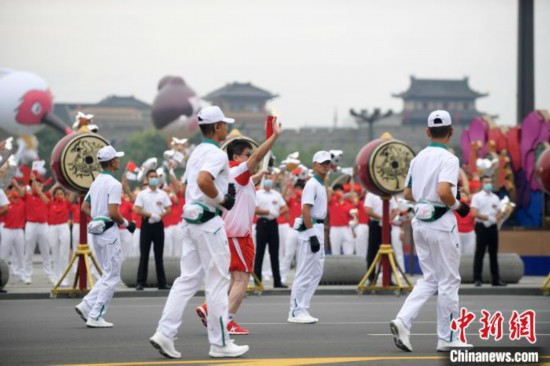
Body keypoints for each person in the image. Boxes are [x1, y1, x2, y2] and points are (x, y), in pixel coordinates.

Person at [149, 105, 248, 359]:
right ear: (217, 127)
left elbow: (185, 188)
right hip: (208, 223)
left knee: (187, 281)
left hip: (191, 222)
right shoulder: (216, 154)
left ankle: (164, 333)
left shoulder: (195, 154)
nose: (227, 127)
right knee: (217, 282)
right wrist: (223, 200)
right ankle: (220, 343)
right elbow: (205, 181)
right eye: (224, 124)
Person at [390, 110, 473, 352]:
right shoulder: (449, 159)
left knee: (430, 279)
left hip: (420, 223)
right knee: (449, 280)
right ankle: (447, 338)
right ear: (451, 131)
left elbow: (407, 194)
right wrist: (460, 206)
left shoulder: (417, 159)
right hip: (441, 223)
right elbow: (445, 192)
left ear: (427, 132)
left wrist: (425, 197)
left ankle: (403, 321)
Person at [196, 117, 281, 335]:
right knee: (242, 279)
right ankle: (227, 320)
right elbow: (256, 157)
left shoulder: (232, 175)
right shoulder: (238, 171)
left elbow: (245, 185)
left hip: (228, 233)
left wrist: (258, 176)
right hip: (238, 235)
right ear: (235, 157)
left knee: (233, 278)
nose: (249, 158)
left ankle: (209, 309)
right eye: (245, 154)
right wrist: (274, 137)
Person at [74, 145, 136, 328]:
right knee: (112, 276)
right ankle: (95, 315)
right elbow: (114, 212)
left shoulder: (96, 182)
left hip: (98, 233)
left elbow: (84, 208)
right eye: (117, 158)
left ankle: (86, 306)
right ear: (111, 162)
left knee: (107, 273)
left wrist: (98, 218)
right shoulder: (114, 184)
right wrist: (128, 224)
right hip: (109, 232)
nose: (119, 160)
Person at [288, 151, 330, 324]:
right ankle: (295, 311)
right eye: (321, 163)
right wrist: (312, 234)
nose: (325, 166)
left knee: (316, 272)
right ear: (314, 165)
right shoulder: (312, 184)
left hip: (318, 227)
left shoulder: (321, 184)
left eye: (327, 163)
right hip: (310, 229)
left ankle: (303, 307)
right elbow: (305, 209)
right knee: (304, 272)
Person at [12, 175, 54, 284]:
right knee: (29, 252)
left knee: (45, 251)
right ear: (31, 186)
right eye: (34, 185)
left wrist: (39, 190)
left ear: (42, 187)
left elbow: (47, 202)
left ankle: (49, 274)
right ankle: (27, 275)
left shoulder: (45, 195)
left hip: (43, 226)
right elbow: (17, 187)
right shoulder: (27, 196)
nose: (36, 187)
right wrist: (11, 177)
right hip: (31, 225)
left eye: (39, 185)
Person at [134, 169, 172, 291]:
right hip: (146, 224)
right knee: (144, 254)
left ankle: (162, 283)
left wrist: (160, 215)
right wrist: (150, 214)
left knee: (159, 255)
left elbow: (169, 209)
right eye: (152, 176)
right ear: (147, 179)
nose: (154, 178)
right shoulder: (142, 194)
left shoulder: (162, 194)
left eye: (156, 176)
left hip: (158, 224)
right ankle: (140, 282)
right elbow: (137, 209)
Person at [471, 175, 506, 287]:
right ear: (481, 183)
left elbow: (500, 211)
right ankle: (477, 279)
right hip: (481, 226)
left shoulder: (495, 197)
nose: (489, 184)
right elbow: (474, 213)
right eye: (486, 182)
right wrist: (486, 218)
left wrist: (496, 218)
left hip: (492, 227)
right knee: (479, 253)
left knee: (493, 254)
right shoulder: (477, 197)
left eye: (490, 182)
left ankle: (496, 279)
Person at [254, 175, 288, 288]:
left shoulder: (276, 194)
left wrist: (277, 213)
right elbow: (255, 210)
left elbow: (285, 208)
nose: (268, 180)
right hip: (262, 223)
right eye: (266, 178)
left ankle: (277, 281)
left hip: (273, 223)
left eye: (270, 178)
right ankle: (257, 280)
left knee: (274, 253)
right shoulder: (258, 194)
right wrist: (268, 211)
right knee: (260, 253)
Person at [364, 192, 398, 283]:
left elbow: (395, 210)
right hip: (375, 224)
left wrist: (388, 219)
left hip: (386, 224)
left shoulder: (389, 194)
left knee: (388, 251)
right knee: (372, 252)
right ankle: (371, 279)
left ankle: (388, 279)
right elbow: (367, 210)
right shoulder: (371, 194)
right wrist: (381, 218)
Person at [0, 187, 25, 283]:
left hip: (19, 231)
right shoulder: (5, 204)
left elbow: (25, 194)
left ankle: (22, 274)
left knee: (20, 254)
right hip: (7, 230)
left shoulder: (22, 203)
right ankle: (2, 274)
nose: (15, 192)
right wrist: (8, 197)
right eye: (13, 190)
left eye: (16, 190)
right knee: (3, 255)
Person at [48, 186, 71, 286]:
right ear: (54, 195)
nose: (59, 195)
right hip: (53, 228)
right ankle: (56, 277)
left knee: (64, 255)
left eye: (61, 194)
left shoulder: (66, 203)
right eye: (57, 194)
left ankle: (64, 278)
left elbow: (73, 192)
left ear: (64, 195)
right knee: (55, 254)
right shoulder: (50, 203)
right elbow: (40, 193)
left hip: (63, 227)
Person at [328, 184, 356, 255]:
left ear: (343, 192)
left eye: (339, 190)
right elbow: (328, 192)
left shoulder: (349, 204)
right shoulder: (331, 202)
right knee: (335, 252)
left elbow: (353, 219)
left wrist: (353, 230)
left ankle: (349, 266)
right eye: (336, 190)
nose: (338, 192)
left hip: (346, 228)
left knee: (349, 252)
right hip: (335, 229)